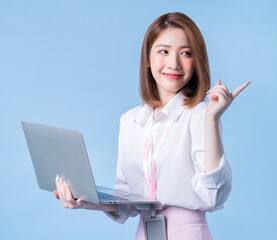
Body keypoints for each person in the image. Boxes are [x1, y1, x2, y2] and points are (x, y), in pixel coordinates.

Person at [53, 12, 249, 239]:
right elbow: (127, 200)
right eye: (163, 51)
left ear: (196, 61)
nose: (173, 63)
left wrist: (213, 119)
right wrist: (86, 202)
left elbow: (215, 195)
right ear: (148, 58)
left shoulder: (201, 114)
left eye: (185, 53)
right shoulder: (130, 121)